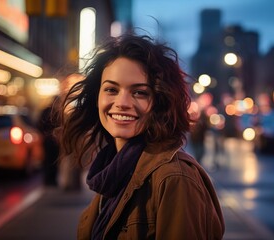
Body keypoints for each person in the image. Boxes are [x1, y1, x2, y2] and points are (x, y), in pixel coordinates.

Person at [55, 34, 225, 239]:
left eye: (139, 92)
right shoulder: (111, 172)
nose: (122, 102)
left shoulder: (175, 178)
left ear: (160, 102)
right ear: (96, 96)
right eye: (111, 89)